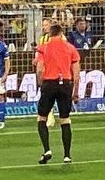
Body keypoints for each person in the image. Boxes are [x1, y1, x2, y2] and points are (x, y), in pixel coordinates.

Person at [34, 22, 80, 164]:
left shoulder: (43, 48)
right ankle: (67, 155)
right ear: (61, 34)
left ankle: (47, 149)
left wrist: (41, 83)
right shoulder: (71, 48)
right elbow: (76, 73)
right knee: (65, 119)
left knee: (42, 118)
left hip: (49, 83)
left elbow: (40, 68)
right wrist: (75, 91)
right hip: (65, 84)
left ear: (50, 34)